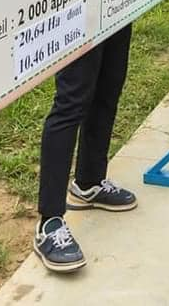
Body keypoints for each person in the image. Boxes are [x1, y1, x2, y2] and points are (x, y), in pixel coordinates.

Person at [33, 25, 138, 272]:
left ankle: (89, 183)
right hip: (78, 3)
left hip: (117, 1)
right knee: (71, 101)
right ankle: (49, 223)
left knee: (108, 88)